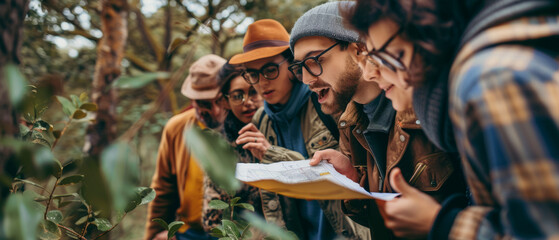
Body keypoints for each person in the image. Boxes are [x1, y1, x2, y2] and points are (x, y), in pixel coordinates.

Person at [343, 0, 559, 239]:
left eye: (381, 55)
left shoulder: (491, 81)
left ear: (426, 33)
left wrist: (442, 223)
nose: (370, 73)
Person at [289, 2, 465, 239]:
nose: (307, 79)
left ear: (357, 49)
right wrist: (354, 183)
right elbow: (382, 224)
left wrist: (440, 222)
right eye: (299, 67)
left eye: (314, 61)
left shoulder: (428, 106)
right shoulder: (349, 124)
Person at [228, 19, 360, 239]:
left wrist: (271, 154)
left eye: (270, 70)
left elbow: (349, 176)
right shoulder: (261, 119)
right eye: (252, 74)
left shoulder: (326, 102)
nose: (261, 82)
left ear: (291, 65)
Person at [144, 54, 227, 240]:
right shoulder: (178, 128)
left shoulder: (245, 123)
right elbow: (163, 188)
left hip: (232, 232)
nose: (215, 111)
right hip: (190, 232)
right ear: (193, 100)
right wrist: (154, 235)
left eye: (220, 100)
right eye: (204, 103)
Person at [201, 61, 264, 238]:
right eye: (238, 96)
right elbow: (212, 219)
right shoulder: (221, 147)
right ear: (225, 101)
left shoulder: (279, 129)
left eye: (253, 92)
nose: (248, 102)